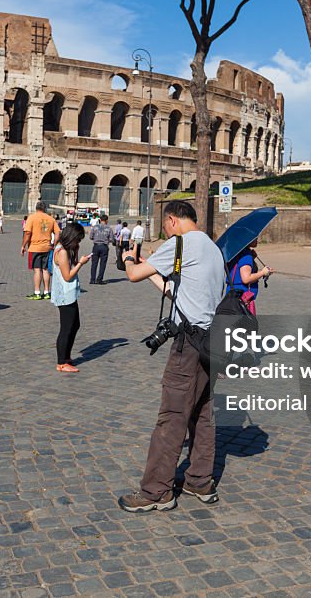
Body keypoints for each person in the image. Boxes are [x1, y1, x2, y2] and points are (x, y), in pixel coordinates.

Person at [117, 200, 225, 513]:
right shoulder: (212, 248)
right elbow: (179, 293)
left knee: (172, 417)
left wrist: (127, 259)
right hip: (210, 342)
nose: (165, 232)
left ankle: (156, 491)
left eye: (165, 227)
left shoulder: (179, 244)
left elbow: (134, 274)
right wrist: (156, 269)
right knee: (202, 414)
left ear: (172, 220)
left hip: (187, 346)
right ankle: (199, 480)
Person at [51, 223, 91, 373]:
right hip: (65, 295)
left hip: (69, 294)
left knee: (75, 325)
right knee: (67, 328)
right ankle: (61, 362)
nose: (78, 243)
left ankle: (66, 357)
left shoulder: (65, 249)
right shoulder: (61, 252)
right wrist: (81, 263)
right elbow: (67, 276)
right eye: (78, 240)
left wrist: (76, 252)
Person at [225, 238, 272, 315]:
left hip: (231, 295)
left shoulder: (234, 253)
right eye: (254, 238)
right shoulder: (245, 255)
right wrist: (263, 272)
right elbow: (246, 279)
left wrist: (252, 259)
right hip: (243, 299)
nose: (257, 239)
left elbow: (236, 270)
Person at [21, 201, 57, 300]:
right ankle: (47, 292)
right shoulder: (51, 219)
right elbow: (58, 233)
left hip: (35, 247)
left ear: (36, 208)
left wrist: (23, 246)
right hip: (47, 247)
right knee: (46, 270)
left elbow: (27, 233)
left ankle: (37, 292)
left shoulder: (31, 218)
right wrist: (54, 244)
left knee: (37, 270)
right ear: (45, 209)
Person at [88, 213, 112, 285]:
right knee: (102, 264)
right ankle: (99, 279)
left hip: (96, 246)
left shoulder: (94, 227)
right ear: (106, 220)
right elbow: (111, 239)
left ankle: (92, 279)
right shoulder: (109, 228)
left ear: (100, 220)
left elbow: (91, 237)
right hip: (104, 246)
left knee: (94, 263)